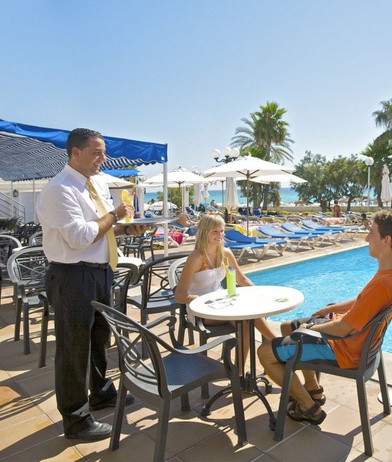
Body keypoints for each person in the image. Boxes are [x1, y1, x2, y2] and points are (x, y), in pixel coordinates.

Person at [36, 128, 148, 441]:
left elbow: (101, 232)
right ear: (75, 153)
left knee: (99, 338)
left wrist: (127, 231)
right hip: (72, 277)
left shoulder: (96, 184)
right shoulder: (59, 190)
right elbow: (80, 237)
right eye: (97, 152)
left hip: (99, 272)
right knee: (74, 349)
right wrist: (114, 215)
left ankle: (100, 393)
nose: (103, 159)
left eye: (104, 152)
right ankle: (76, 420)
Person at [258, 209, 392, 425]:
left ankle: (309, 407)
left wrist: (310, 330)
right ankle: (313, 389)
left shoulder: (383, 284)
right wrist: (324, 312)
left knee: (265, 352)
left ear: (386, 240)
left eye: (372, 233)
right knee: (286, 327)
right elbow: (362, 302)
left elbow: (342, 329)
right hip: (357, 342)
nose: (367, 238)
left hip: (345, 349)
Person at [174, 215, 276, 370]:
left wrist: (259, 294)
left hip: (223, 303)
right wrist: (196, 300)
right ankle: (279, 344)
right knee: (247, 316)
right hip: (201, 310)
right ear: (204, 232)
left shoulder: (225, 254)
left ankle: (239, 374)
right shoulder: (196, 258)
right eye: (215, 231)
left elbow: (241, 280)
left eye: (222, 231)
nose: (220, 235)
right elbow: (179, 294)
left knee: (247, 321)